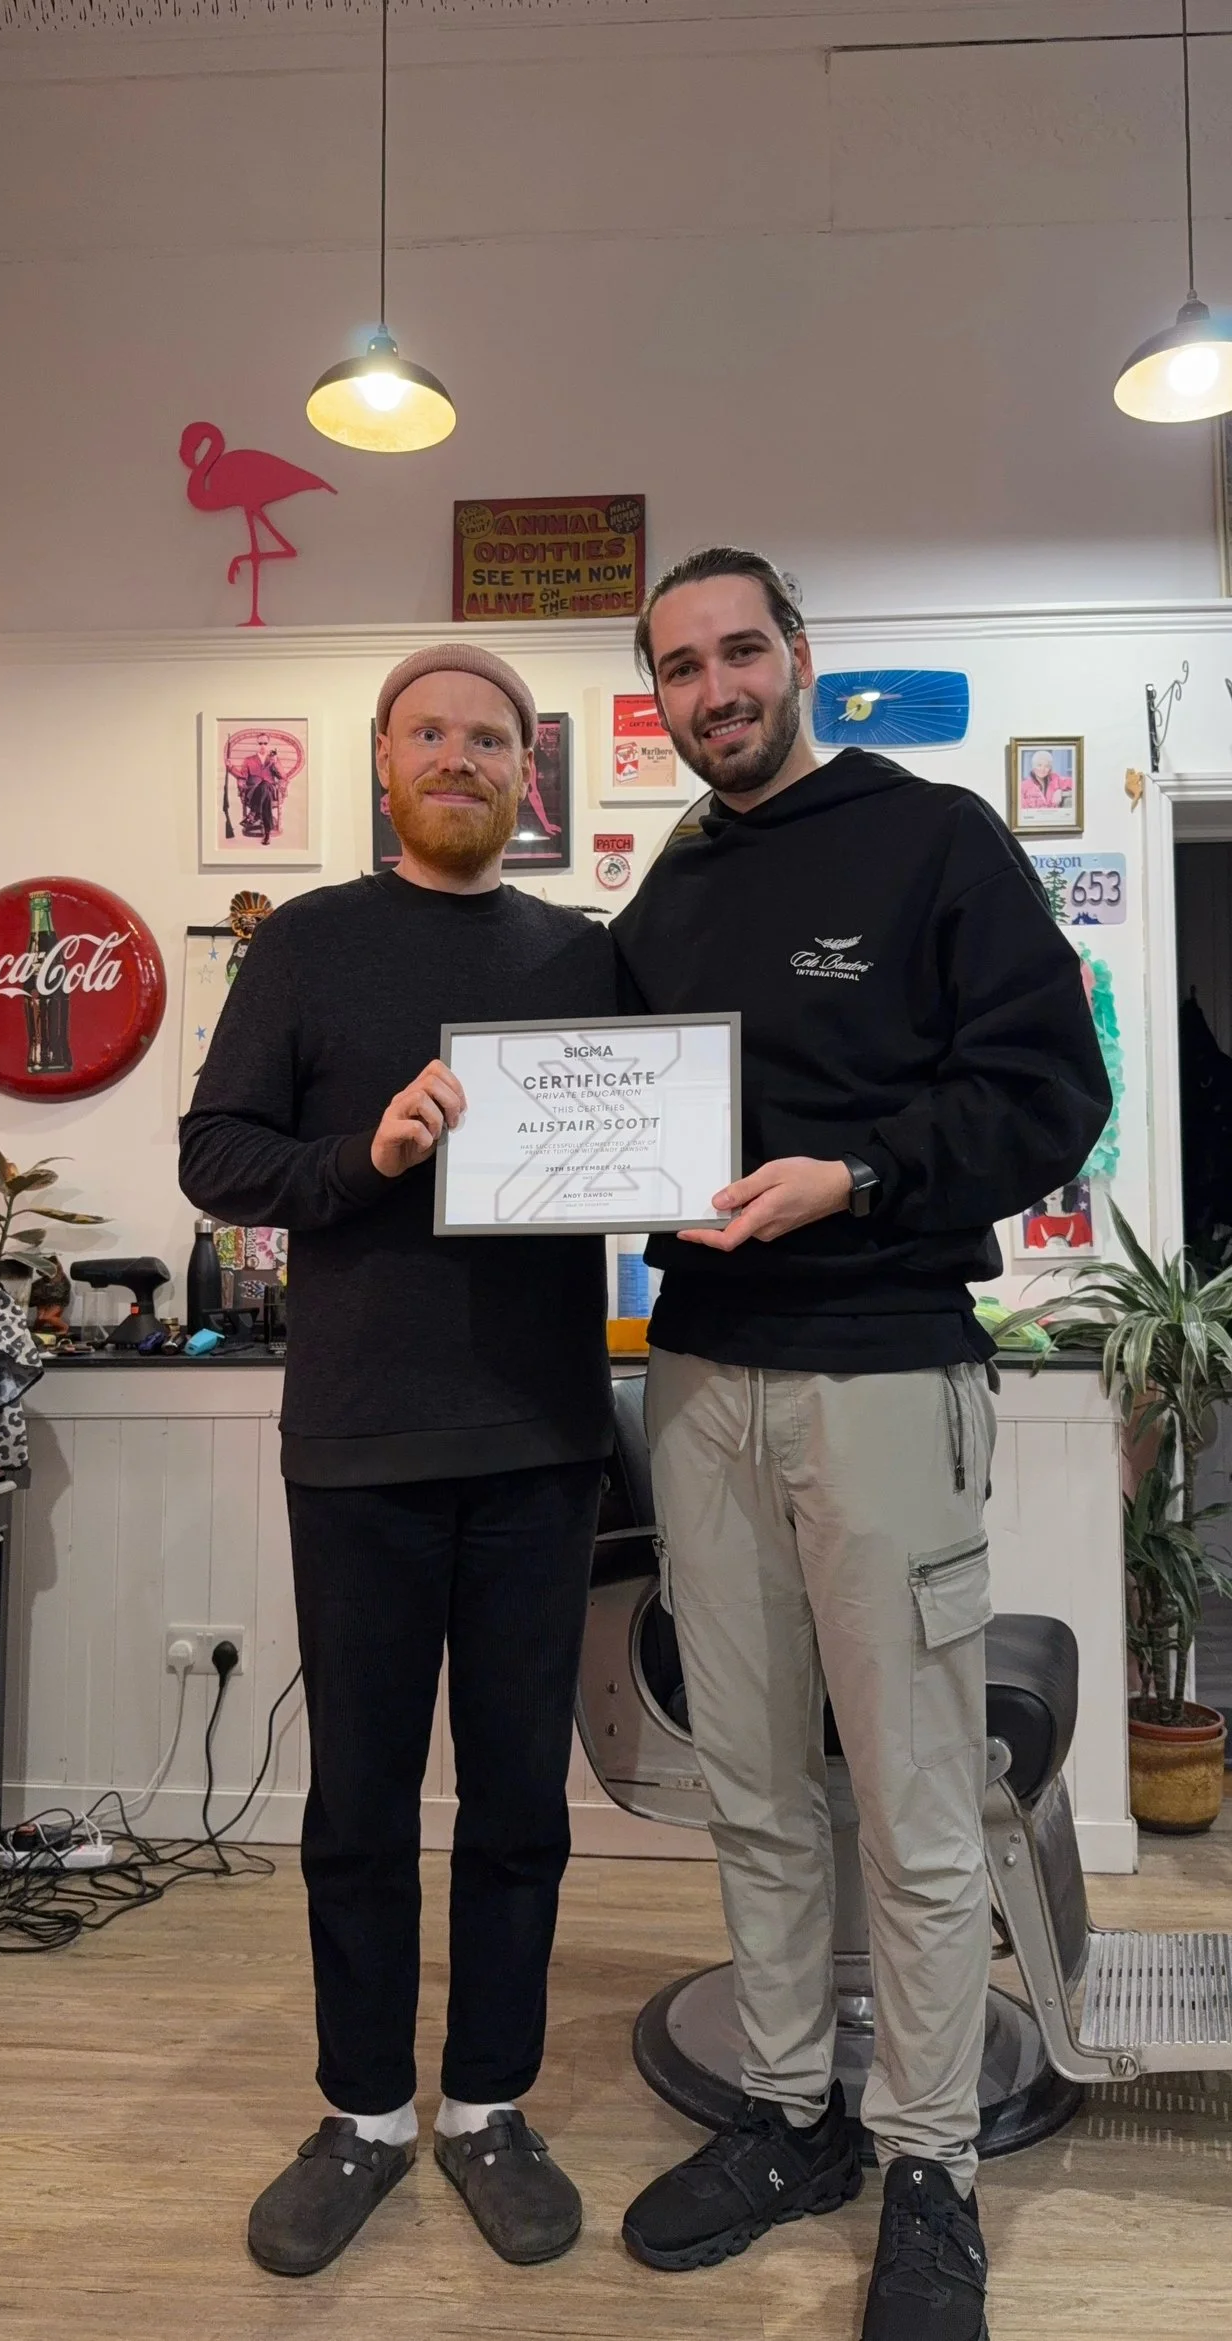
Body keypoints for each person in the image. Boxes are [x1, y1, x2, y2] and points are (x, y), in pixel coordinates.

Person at [611, 548, 1111, 2339]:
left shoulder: (934, 840)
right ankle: (789, 2114)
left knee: (913, 1797)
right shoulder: (669, 889)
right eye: (681, 667)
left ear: (800, 656)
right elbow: (595, 1100)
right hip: (698, 1377)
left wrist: (866, 1175)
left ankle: (926, 2163)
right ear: (660, 698)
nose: (715, 689)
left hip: (884, 1371)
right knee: (749, 1782)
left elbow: (1051, 1093)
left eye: (740, 650)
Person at [180, 644, 616, 2278]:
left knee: (518, 1801)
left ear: (526, 771)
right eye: (428, 730)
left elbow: (642, 1135)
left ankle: (489, 2104)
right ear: (382, 760)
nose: (458, 754)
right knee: (359, 1801)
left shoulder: (583, 955)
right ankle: (363, 2114)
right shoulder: (305, 943)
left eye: (489, 736)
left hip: (542, 1439)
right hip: (360, 1441)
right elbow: (216, 1155)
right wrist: (364, 1157)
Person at [1020, 747, 1073, 813]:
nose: (1043, 769)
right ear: (1033, 766)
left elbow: (1076, 783)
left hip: (1054, 817)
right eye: (1039, 765)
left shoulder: (1055, 780)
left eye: (1047, 766)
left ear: (1050, 768)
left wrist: (1059, 791)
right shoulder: (1024, 786)